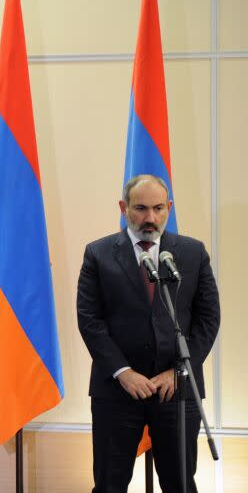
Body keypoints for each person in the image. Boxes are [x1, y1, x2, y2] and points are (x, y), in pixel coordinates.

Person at [77, 174, 220, 493]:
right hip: (116, 391)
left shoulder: (192, 252)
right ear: (123, 207)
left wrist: (179, 372)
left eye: (158, 209)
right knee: (109, 483)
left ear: (169, 207)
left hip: (177, 391)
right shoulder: (98, 254)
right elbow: (89, 320)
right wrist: (123, 372)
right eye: (140, 208)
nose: (150, 218)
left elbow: (208, 320)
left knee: (180, 483)